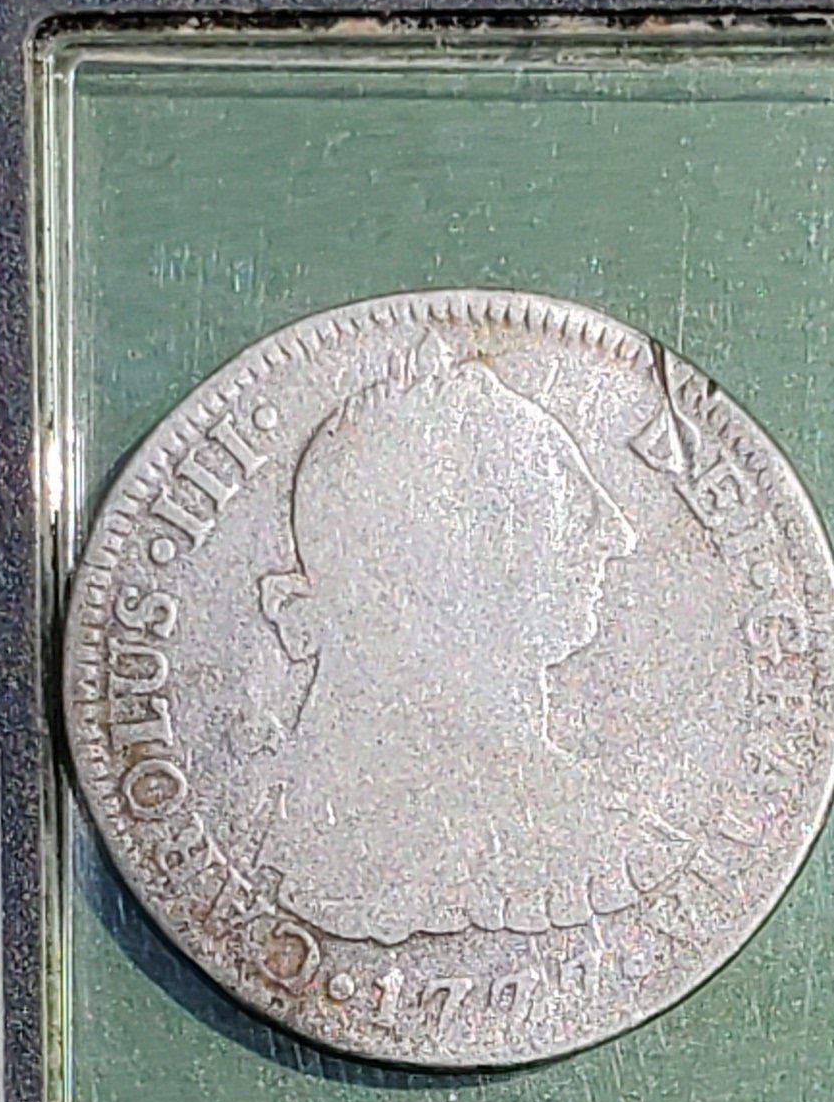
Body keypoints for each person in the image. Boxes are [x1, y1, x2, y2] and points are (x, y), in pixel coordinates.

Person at [251, 339, 637, 943]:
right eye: (553, 501)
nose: (616, 531)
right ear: (418, 572)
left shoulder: (601, 835)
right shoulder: (335, 858)